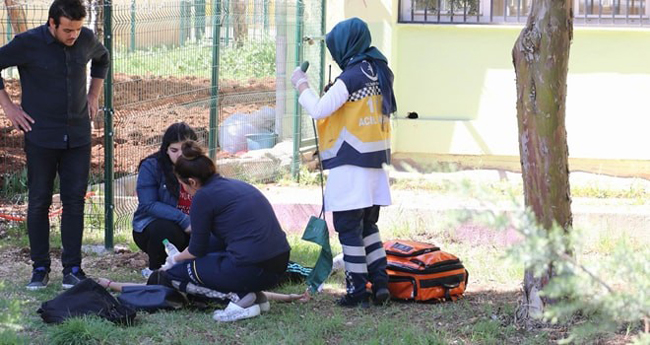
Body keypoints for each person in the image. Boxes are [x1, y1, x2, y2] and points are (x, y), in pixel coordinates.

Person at [0, 0, 110, 290]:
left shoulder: (86, 38)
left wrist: (93, 95)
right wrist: (8, 107)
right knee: (39, 201)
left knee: (74, 202)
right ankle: (39, 268)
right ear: (52, 24)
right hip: (40, 136)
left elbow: (102, 58)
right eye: (67, 30)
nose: (73, 35)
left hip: (78, 136)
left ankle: (73, 270)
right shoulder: (27, 43)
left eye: (77, 29)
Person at [290, 17, 397, 307]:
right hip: (375, 164)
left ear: (346, 45)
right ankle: (382, 284)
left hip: (351, 164)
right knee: (368, 228)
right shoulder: (379, 69)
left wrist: (301, 84)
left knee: (349, 230)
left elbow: (319, 108)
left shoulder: (351, 76)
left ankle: (357, 291)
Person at [161, 140, 292, 322]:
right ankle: (257, 297)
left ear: (192, 182)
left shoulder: (203, 197)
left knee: (176, 273)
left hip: (251, 268)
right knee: (207, 262)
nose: (184, 189)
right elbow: (215, 242)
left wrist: (174, 259)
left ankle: (238, 297)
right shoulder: (237, 185)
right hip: (279, 264)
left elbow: (197, 249)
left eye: (183, 185)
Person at [132, 122, 198, 274]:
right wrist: (185, 221)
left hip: (195, 229)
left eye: (185, 150)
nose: (179, 155)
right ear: (166, 150)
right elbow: (148, 204)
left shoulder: (201, 166)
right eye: (174, 150)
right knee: (164, 228)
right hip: (157, 229)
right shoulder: (151, 166)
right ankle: (157, 269)